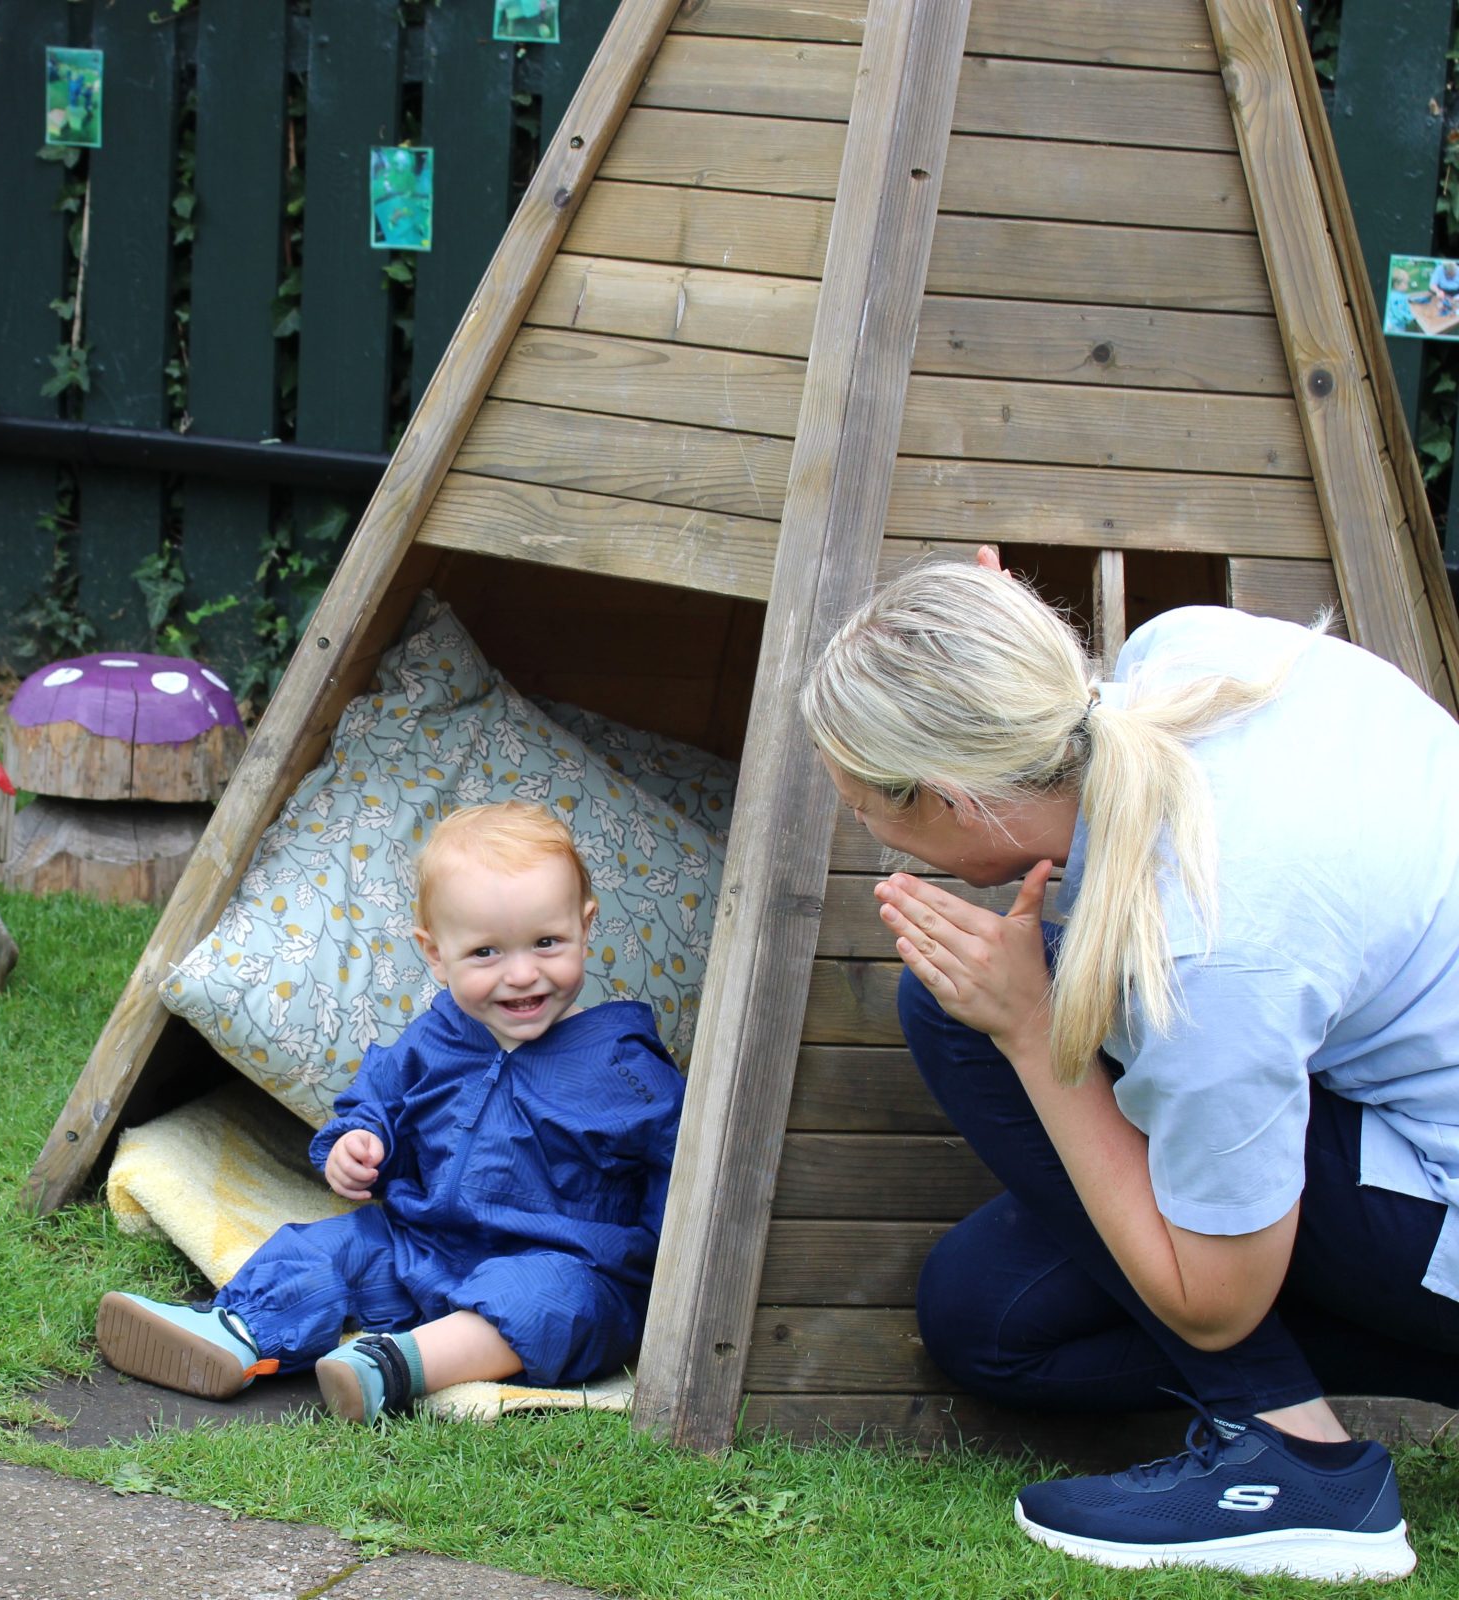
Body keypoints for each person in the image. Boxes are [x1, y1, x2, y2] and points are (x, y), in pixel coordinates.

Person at [800, 550, 1459, 1581]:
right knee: (994, 1316)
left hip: (1436, 1187)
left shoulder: (1204, 946)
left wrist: (1028, 1029)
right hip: (1399, 1116)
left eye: (864, 808)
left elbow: (1215, 1305)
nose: (867, 835)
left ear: (948, 800)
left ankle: (1299, 1470)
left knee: (959, 1006)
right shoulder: (1181, 650)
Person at [96, 801, 685, 1423]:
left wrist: (662, 1273)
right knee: (333, 1246)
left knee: (551, 1303)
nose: (521, 974)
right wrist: (358, 1141)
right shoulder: (436, 1041)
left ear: (585, 928)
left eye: (547, 943)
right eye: (486, 953)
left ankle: (395, 1366)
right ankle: (240, 1332)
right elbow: (374, 1103)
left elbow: (681, 1171)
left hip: (564, 1261)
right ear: (435, 953)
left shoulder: (624, 1067)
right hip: (425, 1245)